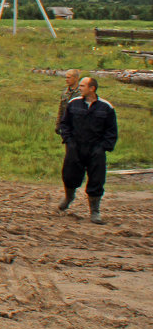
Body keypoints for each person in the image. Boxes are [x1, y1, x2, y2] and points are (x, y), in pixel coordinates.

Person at [56, 76, 118, 224]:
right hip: (75, 146)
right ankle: (69, 197)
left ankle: (95, 211)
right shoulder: (73, 104)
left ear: (92, 88)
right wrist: (68, 141)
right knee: (69, 175)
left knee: (97, 179)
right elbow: (65, 124)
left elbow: (111, 131)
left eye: (83, 86)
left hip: (95, 149)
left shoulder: (106, 107)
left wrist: (103, 147)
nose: (80, 88)